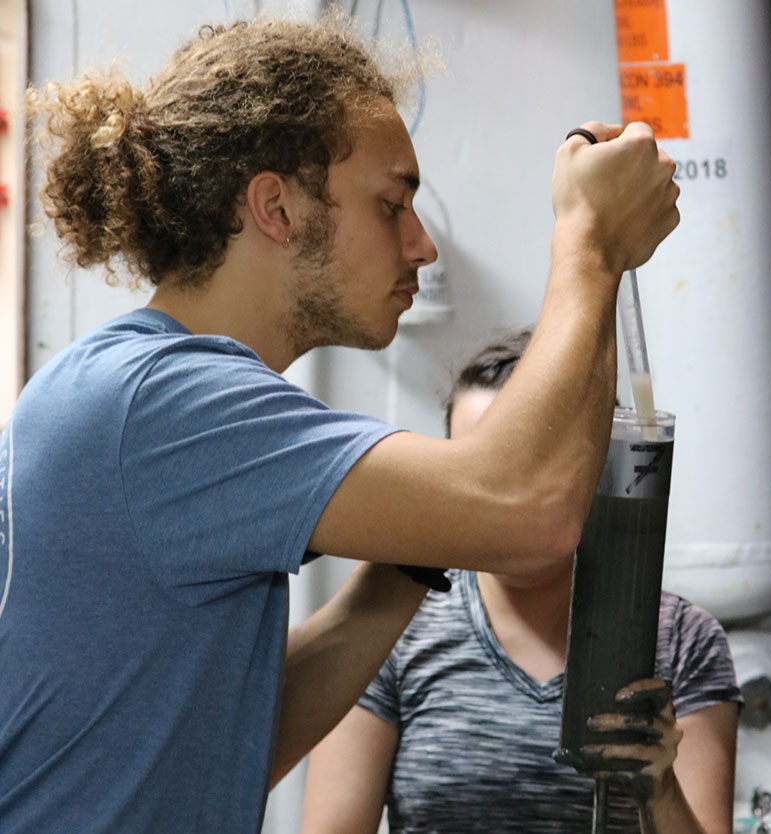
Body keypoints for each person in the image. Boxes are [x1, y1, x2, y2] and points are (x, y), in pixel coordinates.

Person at [0, 10, 679, 834]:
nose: (422, 245)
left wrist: (406, 562)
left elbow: (229, 743)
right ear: (276, 209)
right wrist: (590, 240)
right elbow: (532, 512)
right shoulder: (164, 401)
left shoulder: (144, 392)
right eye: (393, 204)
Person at [301, 328, 741, 834]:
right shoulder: (393, 626)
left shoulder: (683, 641)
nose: (492, 500)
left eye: (517, 470)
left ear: (593, 468)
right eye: (470, 470)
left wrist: (660, 792)